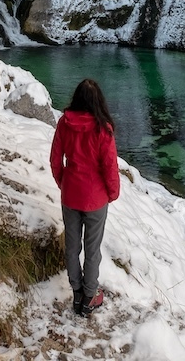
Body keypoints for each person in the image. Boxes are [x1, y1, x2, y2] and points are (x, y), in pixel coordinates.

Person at [49, 78, 120, 316]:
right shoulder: (103, 128)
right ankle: (90, 296)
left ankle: (77, 291)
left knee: (72, 246)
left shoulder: (64, 123)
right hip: (95, 198)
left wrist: (63, 182)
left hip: (71, 194)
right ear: (98, 101)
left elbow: (55, 158)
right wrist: (113, 192)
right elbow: (109, 166)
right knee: (92, 248)